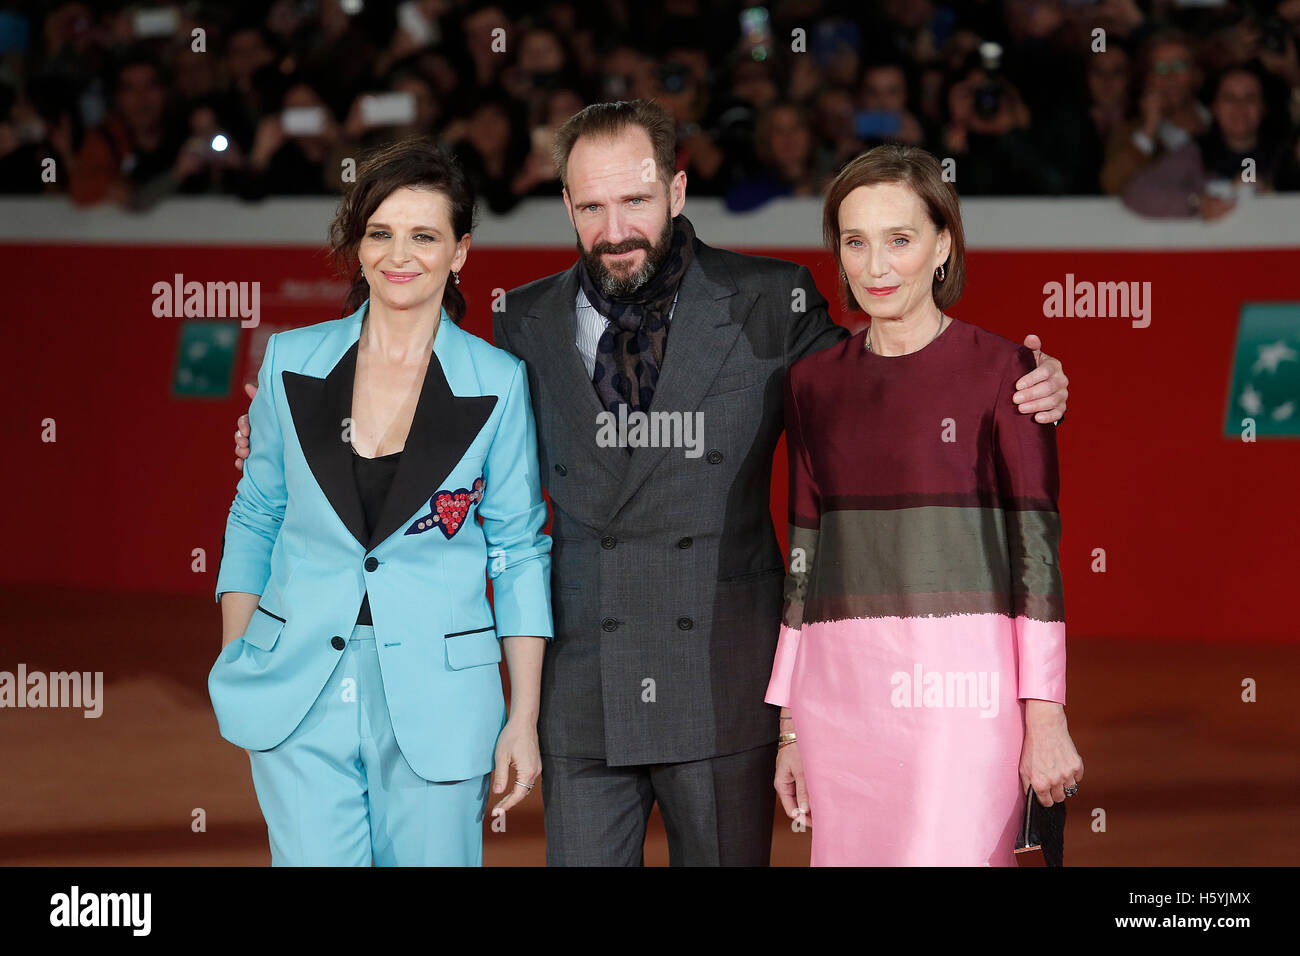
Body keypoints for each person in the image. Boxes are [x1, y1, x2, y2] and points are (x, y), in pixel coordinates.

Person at [235, 99, 1070, 866]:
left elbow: (878, 387)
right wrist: (287, 428)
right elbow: (422, 387)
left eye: (634, 200)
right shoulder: (519, 318)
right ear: (566, 207)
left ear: (675, 189)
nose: (615, 227)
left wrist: (1016, 382)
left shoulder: (767, 300)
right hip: (583, 686)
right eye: (591, 207)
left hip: (721, 679)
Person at [211, 138, 552, 866]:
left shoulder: (498, 381)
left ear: (460, 251)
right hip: (297, 686)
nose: (402, 255)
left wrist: (523, 715)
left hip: (442, 698)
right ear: (358, 245)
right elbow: (256, 512)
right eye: (381, 232)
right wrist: (237, 655)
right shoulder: (290, 360)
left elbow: (520, 549)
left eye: (425, 235)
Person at [767, 144, 1084, 865]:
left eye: (900, 240)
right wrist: (791, 726)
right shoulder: (812, 383)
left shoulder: (1010, 374)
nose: (875, 267)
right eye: (855, 242)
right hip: (841, 703)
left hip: (965, 704)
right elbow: (805, 554)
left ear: (943, 244)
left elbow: (1036, 556)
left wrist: (1046, 714)